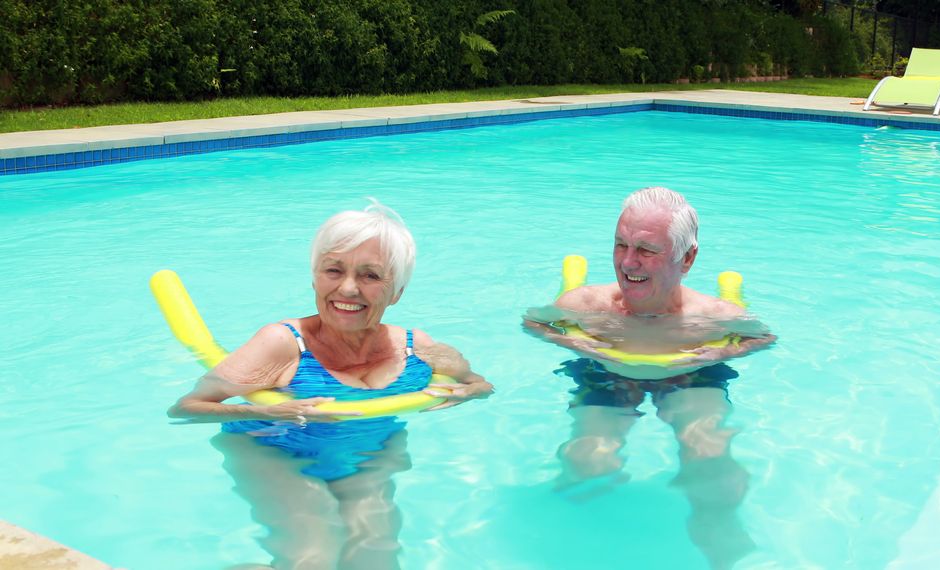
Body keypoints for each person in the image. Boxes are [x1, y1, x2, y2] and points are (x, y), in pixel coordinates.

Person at [168, 200, 493, 570]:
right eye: (333, 271)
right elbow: (186, 409)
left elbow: (479, 383)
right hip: (273, 449)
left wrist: (471, 391)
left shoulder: (418, 348)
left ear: (397, 290)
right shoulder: (283, 342)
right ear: (315, 278)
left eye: (371, 276)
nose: (349, 288)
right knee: (314, 558)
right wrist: (267, 410)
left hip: (367, 451)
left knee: (376, 560)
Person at [524, 186, 775, 569]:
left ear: (686, 259)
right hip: (607, 371)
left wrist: (720, 352)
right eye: (620, 245)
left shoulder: (711, 317)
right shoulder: (587, 306)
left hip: (688, 374)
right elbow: (534, 323)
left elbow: (763, 338)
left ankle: (725, 550)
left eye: (646, 250)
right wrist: (584, 347)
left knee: (711, 466)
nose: (628, 263)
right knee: (586, 465)